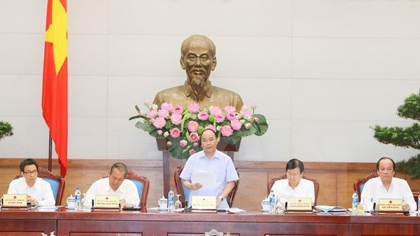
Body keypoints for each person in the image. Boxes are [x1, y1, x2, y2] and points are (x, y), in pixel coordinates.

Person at [153, 34, 244, 111]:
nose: (198, 64)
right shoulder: (163, 99)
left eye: (204, 58)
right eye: (192, 57)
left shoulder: (232, 101)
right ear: (182, 62)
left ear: (214, 63)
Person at [180, 129, 239, 209]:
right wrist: (191, 186)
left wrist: (220, 199)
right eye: (204, 140)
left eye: (211, 139)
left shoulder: (226, 159)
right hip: (197, 205)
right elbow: (185, 180)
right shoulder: (193, 159)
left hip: (219, 205)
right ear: (201, 144)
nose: (208, 143)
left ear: (217, 141)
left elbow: (231, 182)